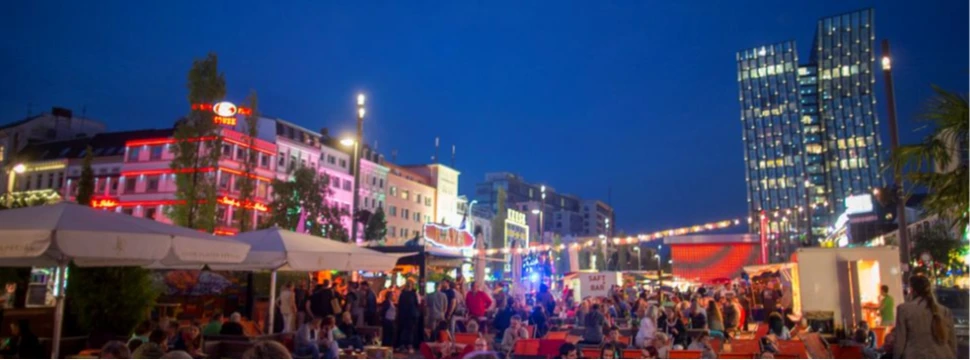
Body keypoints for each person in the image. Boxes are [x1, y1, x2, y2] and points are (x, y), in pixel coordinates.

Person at [893, 274, 957, 358]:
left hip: (915, 355)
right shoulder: (944, 311)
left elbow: (900, 342)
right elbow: (952, 341)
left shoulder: (904, 310)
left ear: (912, 290)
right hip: (943, 355)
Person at [396, 280, 420, 352]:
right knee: (409, 331)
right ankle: (408, 345)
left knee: (405, 330)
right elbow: (417, 304)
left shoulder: (403, 294)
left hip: (405, 314)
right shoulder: (413, 294)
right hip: (411, 314)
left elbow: (399, 304)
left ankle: (404, 345)